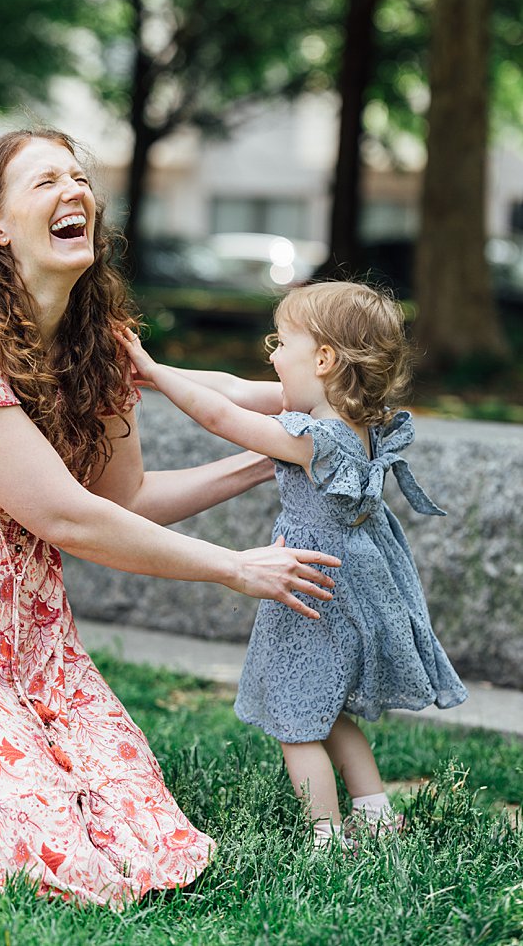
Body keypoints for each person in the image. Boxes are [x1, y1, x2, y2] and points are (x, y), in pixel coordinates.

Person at [0, 127, 341, 905]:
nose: (74, 191)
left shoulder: (96, 349)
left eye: (79, 178)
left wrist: (279, 452)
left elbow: (125, 501)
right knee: (50, 851)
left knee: (151, 840)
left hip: (40, 655)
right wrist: (236, 567)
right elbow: (67, 516)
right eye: (45, 182)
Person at [120, 280, 466, 847]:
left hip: (312, 586)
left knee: (295, 716)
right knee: (326, 707)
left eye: (280, 343)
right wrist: (151, 369)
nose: (271, 354)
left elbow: (221, 416)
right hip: (349, 580)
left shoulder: (314, 438)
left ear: (324, 360)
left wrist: (157, 376)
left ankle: (325, 839)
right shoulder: (356, 420)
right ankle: (376, 816)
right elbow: (229, 388)